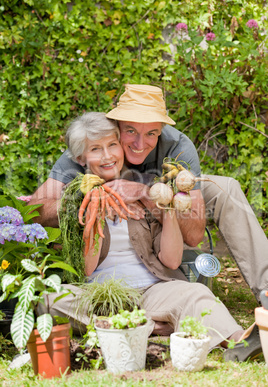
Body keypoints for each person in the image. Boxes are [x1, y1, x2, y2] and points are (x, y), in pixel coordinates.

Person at [38, 112, 261, 362]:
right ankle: (150, 326)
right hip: (100, 296)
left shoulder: (149, 185)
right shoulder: (75, 197)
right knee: (50, 300)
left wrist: (160, 206)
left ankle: (240, 340)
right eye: (96, 150)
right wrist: (96, 210)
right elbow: (87, 269)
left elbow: (173, 260)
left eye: (112, 145)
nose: (108, 155)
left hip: (152, 289)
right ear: (80, 158)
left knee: (195, 294)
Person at [30, 84, 268, 302]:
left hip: (167, 198)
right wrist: (91, 197)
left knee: (226, 187)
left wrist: (145, 193)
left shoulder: (177, 147)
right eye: (131, 131)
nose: (140, 143)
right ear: (116, 127)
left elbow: (194, 236)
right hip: (109, 215)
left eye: (151, 133)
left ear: (161, 130)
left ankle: (266, 288)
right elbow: (35, 210)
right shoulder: (96, 144)